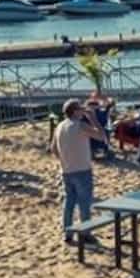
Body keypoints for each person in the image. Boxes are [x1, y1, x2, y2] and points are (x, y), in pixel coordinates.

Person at [52, 99, 108, 245]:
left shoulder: (59, 126)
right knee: (84, 203)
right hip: (82, 169)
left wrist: (65, 158)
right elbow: (101, 136)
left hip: (66, 170)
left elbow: (53, 149)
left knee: (69, 202)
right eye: (80, 108)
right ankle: (85, 233)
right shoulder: (80, 125)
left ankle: (68, 233)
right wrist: (93, 119)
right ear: (75, 111)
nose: (83, 110)